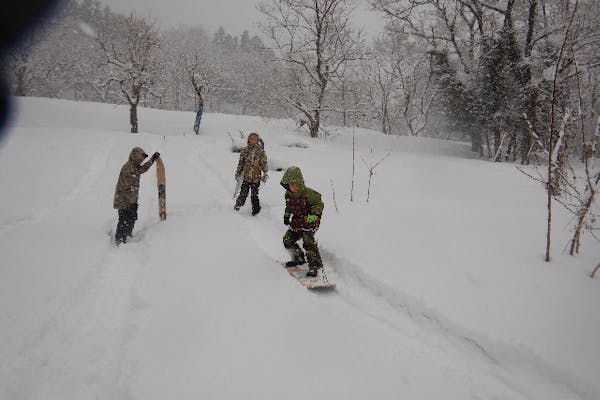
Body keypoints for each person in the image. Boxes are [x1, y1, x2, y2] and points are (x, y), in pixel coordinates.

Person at [280, 166, 324, 277]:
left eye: (296, 184)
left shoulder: (309, 193)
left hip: (311, 219)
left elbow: (319, 204)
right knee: (287, 239)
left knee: (307, 240)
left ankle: (315, 265)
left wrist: (313, 214)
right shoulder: (289, 195)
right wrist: (286, 216)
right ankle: (298, 258)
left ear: (300, 183)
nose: (294, 187)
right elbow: (288, 206)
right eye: (291, 184)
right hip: (298, 220)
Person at [113, 147, 160, 245]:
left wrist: (152, 160)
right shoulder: (128, 167)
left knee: (132, 218)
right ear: (135, 155)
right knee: (124, 220)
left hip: (132, 200)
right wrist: (130, 202)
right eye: (141, 157)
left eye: (143, 158)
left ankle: (128, 235)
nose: (142, 159)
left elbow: (142, 169)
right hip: (124, 200)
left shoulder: (134, 166)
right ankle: (120, 240)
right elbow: (125, 186)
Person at [234, 132, 268, 215]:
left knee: (254, 195)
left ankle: (256, 209)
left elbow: (264, 162)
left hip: (256, 177)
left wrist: (265, 172)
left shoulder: (260, 151)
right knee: (243, 193)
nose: (253, 140)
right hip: (246, 176)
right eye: (251, 139)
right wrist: (238, 172)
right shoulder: (245, 150)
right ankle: (238, 206)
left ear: (257, 140)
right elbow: (241, 162)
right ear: (248, 140)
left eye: (255, 139)